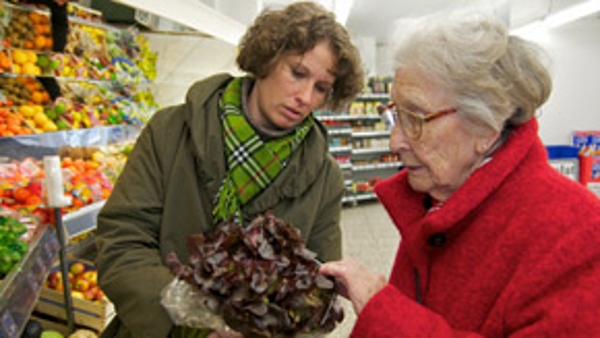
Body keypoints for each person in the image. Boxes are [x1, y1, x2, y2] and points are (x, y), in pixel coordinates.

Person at [319, 11, 600, 337]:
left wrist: (382, 309)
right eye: (396, 116)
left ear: (486, 126)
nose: (395, 142)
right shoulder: (436, 200)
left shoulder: (580, 234)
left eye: (416, 118)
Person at [95, 2, 364, 337]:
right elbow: (121, 241)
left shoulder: (325, 177)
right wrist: (192, 323)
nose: (305, 97)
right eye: (297, 73)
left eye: (321, 88)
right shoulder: (171, 131)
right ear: (267, 58)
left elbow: (319, 287)